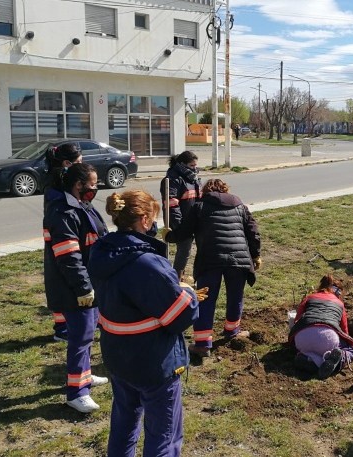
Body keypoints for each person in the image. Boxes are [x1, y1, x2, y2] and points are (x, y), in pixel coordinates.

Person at [89, 189, 202, 457]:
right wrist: (187, 291)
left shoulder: (101, 251)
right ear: (144, 219)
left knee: (124, 423)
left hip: (118, 356)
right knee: (164, 436)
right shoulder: (148, 263)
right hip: (154, 363)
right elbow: (180, 315)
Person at [166, 178, 261, 357]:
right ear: (225, 190)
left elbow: (184, 232)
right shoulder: (240, 206)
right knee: (235, 296)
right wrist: (256, 254)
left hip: (210, 259)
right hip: (238, 259)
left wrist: (169, 236)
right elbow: (253, 231)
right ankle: (232, 330)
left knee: (205, 299)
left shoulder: (199, 207)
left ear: (205, 191)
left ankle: (202, 344)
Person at [43, 162, 109, 413]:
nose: (95, 188)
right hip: (73, 287)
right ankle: (76, 392)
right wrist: (83, 288)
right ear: (78, 185)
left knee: (89, 332)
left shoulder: (83, 206)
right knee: (80, 337)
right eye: (92, 184)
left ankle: (85, 375)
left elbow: (97, 239)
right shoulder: (63, 213)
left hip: (90, 282)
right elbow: (69, 256)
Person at [44, 143, 83, 342]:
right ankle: (64, 329)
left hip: (62, 237)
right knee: (63, 281)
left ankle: (63, 327)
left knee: (60, 280)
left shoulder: (57, 180)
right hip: (63, 237)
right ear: (67, 163)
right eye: (79, 162)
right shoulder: (58, 187)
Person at [288, 274, 353, 379]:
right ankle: (338, 360)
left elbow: (297, 320)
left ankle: (308, 360)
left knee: (307, 349)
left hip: (302, 339)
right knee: (352, 350)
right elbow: (344, 331)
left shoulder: (309, 297)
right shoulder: (339, 304)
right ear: (337, 291)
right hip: (327, 340)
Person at [160, 150, 201, 279]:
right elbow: (172, 205)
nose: (195, 169)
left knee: (192, 250)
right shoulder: (172, 179)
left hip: (195, 221)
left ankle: (186, 275)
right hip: (182, 222)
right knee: (184, 250)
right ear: (182, 165)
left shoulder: (194, 179)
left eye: (195, 166)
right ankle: (176, 278)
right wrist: (180, 225)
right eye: (192, 166)